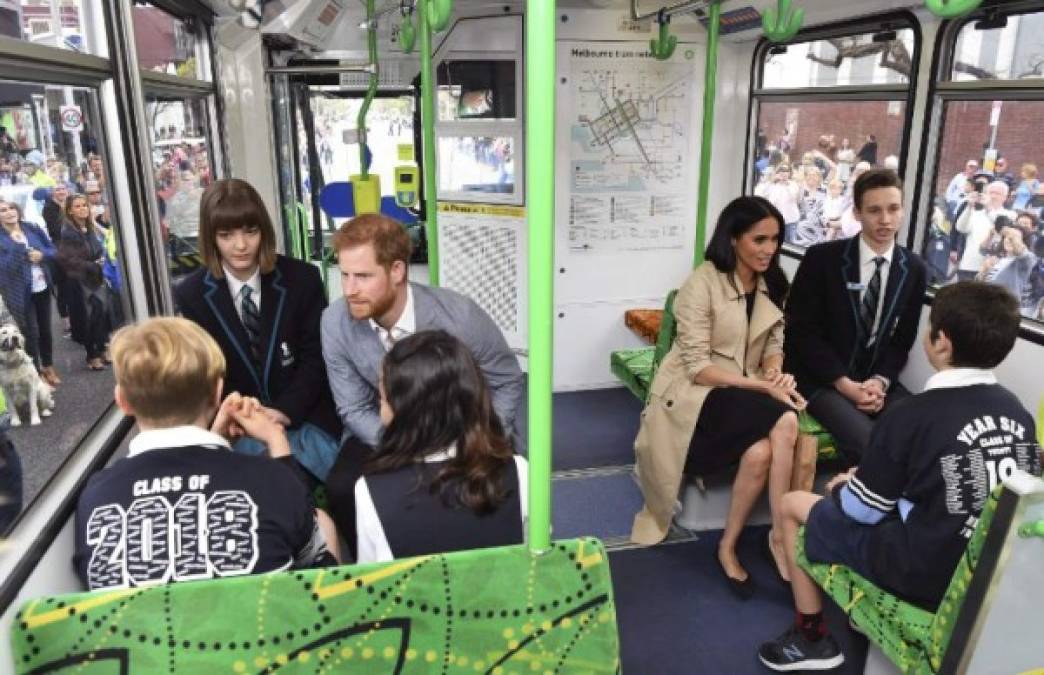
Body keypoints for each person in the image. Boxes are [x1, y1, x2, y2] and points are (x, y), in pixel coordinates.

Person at [758, 282, 1041, 671]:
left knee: (793, 505)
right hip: (983, 568)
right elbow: (959, 482)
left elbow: (862, 512)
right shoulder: (1019, 415)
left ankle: (811, 638)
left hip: (924, 572)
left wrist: (847, 487)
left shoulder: (910, 415)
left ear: (940, 342)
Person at [73, 317, 339, 591]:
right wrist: (276, 439)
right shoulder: (271, 479)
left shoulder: (96, 494)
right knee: (323, 522)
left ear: (123, 402)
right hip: (257, 631)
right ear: (217, 393)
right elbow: (317, 564)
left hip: (145, 633)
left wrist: (215, 438)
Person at [321, 213, 524, 557]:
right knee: (341, 488)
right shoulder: (336, 321)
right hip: (385, 430)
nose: (349, 290)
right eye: (345, 275)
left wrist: (483, 437)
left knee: (500, 482)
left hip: (464, 429)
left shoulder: (460, 316)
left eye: (363, 276)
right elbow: (353, 408)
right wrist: (409, 448)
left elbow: (506, 381)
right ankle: (376, 571)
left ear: (397, 271)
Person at [631, 196, 804, 593]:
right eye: (759, 239)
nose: (770, 249)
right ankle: (781, 536)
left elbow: (775, 341)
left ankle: (728, 546)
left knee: (762, 451)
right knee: (786, 418)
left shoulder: (774, 283)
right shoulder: (701, 283)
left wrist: (775, 374)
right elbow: (698, 369)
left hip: (742, 394)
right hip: (696, 398)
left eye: (775, 239)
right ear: (733, 238)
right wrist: (762, 385)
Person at [174, 179, 341, 482]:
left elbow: (316, 357)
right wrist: (243, 416)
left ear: (263, 231)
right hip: (238, 424)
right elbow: (209, 375)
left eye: (250, 231)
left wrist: (283, 412)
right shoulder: (192, 294)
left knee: (293, 483)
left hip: (304, 416)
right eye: (226, 234)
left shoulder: (302, 279)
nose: (240, 245)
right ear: (211, 238)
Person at [784, 169, 927, 461]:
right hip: (820, 377)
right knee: (869, 444)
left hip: (873, 378)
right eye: (874, 210)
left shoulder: (914, 268)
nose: (885, 220)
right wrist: (843, 383)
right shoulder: (822, 259)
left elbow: (903, 339)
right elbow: (800, 331)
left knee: (920, 429)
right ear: (857, 212)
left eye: (893, 209)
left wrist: (881, 381)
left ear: (903, 211)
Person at [354, 330, 528, 562]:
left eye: (383, 399)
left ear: (404, 411)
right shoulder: (519, 471)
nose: (380, 408)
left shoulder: (369, 490)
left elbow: (371, 578)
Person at [0, 201, 60, 385]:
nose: (9, 212)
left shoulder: (32, 228)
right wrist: (18, 246)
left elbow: (52, 250)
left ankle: (48, 366)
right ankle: (36, 372)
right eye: (3, 210)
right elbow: (4, 267)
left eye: (11, 208)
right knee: (31, 333)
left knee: (46, 331)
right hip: (19, 293)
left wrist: (42, 255)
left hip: (41, 286)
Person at [56, 193, 112, 371]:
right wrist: (93, 265)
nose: (82, 209)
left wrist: (101, 260)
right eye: (78, 206)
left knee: (100, 314)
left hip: (95, 278)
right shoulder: (68, 232)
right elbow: (68, 260)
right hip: (80, 281)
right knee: (87, 318)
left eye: (84, 205)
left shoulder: (88, 227)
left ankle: (102, 348)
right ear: (70, 211)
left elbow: (97, 249)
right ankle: (91, 355)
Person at [955, 180, 1015, 281]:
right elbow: (960, 228)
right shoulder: (976, 213)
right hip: (969, 265)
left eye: (998, 193)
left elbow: (1000, 227)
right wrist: (969, 207)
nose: (993, 196)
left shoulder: (1010, 214)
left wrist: (988, 208)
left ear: (1005, 198)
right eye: (991, 192)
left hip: (994, 269)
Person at [755, 164, 801, 243]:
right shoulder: (772, 185)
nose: (784, 173)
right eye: (782, 170)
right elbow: (760, 195)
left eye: (786, 171)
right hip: (776, 220)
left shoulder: (793, 184)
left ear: (790, 173)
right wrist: (771, 181)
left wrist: (786, 184)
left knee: (791, 243)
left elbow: (794, 197)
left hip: (791, 221)